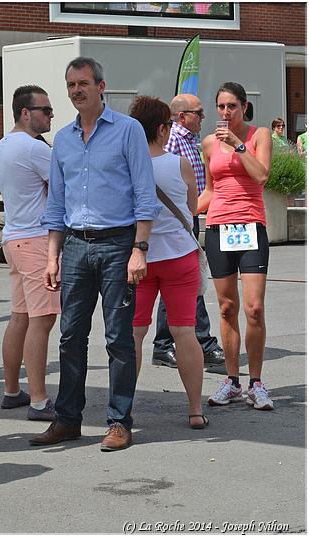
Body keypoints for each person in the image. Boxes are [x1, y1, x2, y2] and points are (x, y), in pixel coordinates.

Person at [31, 57, 161, 452]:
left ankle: (119, 422)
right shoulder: (64, 139)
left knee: (119, 338)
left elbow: (144, 194)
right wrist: (52, 256)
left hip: (119, 243)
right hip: (75, 245)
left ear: (101, 86)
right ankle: (68, 419)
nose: (76, 91)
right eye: (70, 85)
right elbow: (56, 203)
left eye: (83, 83)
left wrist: (139, 249)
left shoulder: (127, 130)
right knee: (71, 335)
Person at [129, 96, 208, 429]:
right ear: (163, 129)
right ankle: (194, 409)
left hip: (139, 259)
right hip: (180, 257)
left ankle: (124, 407)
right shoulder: (179, 164)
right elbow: (192, 207)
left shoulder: (126, 166)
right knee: (184, 332)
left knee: (133, 333)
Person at [0, 85, 60, 420]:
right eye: (45, 110)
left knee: (21, 318)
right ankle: (40, 401)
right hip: (36, 240)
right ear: (25, 113)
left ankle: (13, 390)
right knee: (42, 321)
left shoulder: (3, 145)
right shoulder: (34, 149)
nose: (51, 115)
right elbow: (63, 186)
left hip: (15, 238)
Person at [199, 82, 274, 410]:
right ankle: (231, 380)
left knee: (254, 308)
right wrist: (181, 210)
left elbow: (261, 176)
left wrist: (239, 146)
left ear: (244, 107)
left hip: (250, 225)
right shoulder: (208, 144)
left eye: (232, 106)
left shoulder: (258, 136)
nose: (226, 112)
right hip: (218, 227)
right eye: (221, 106)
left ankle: (256, 383)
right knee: (227, 307)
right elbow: (211, 190)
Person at [151, 94, 225, 370]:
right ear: (182, 116)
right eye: (199, 112)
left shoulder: (187, 140)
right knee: (188, 283)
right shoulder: (172, 140)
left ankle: (165, 344)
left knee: (176, 284)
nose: (203, 117)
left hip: (184, 218)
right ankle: (201, 342)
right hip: (176, 220)